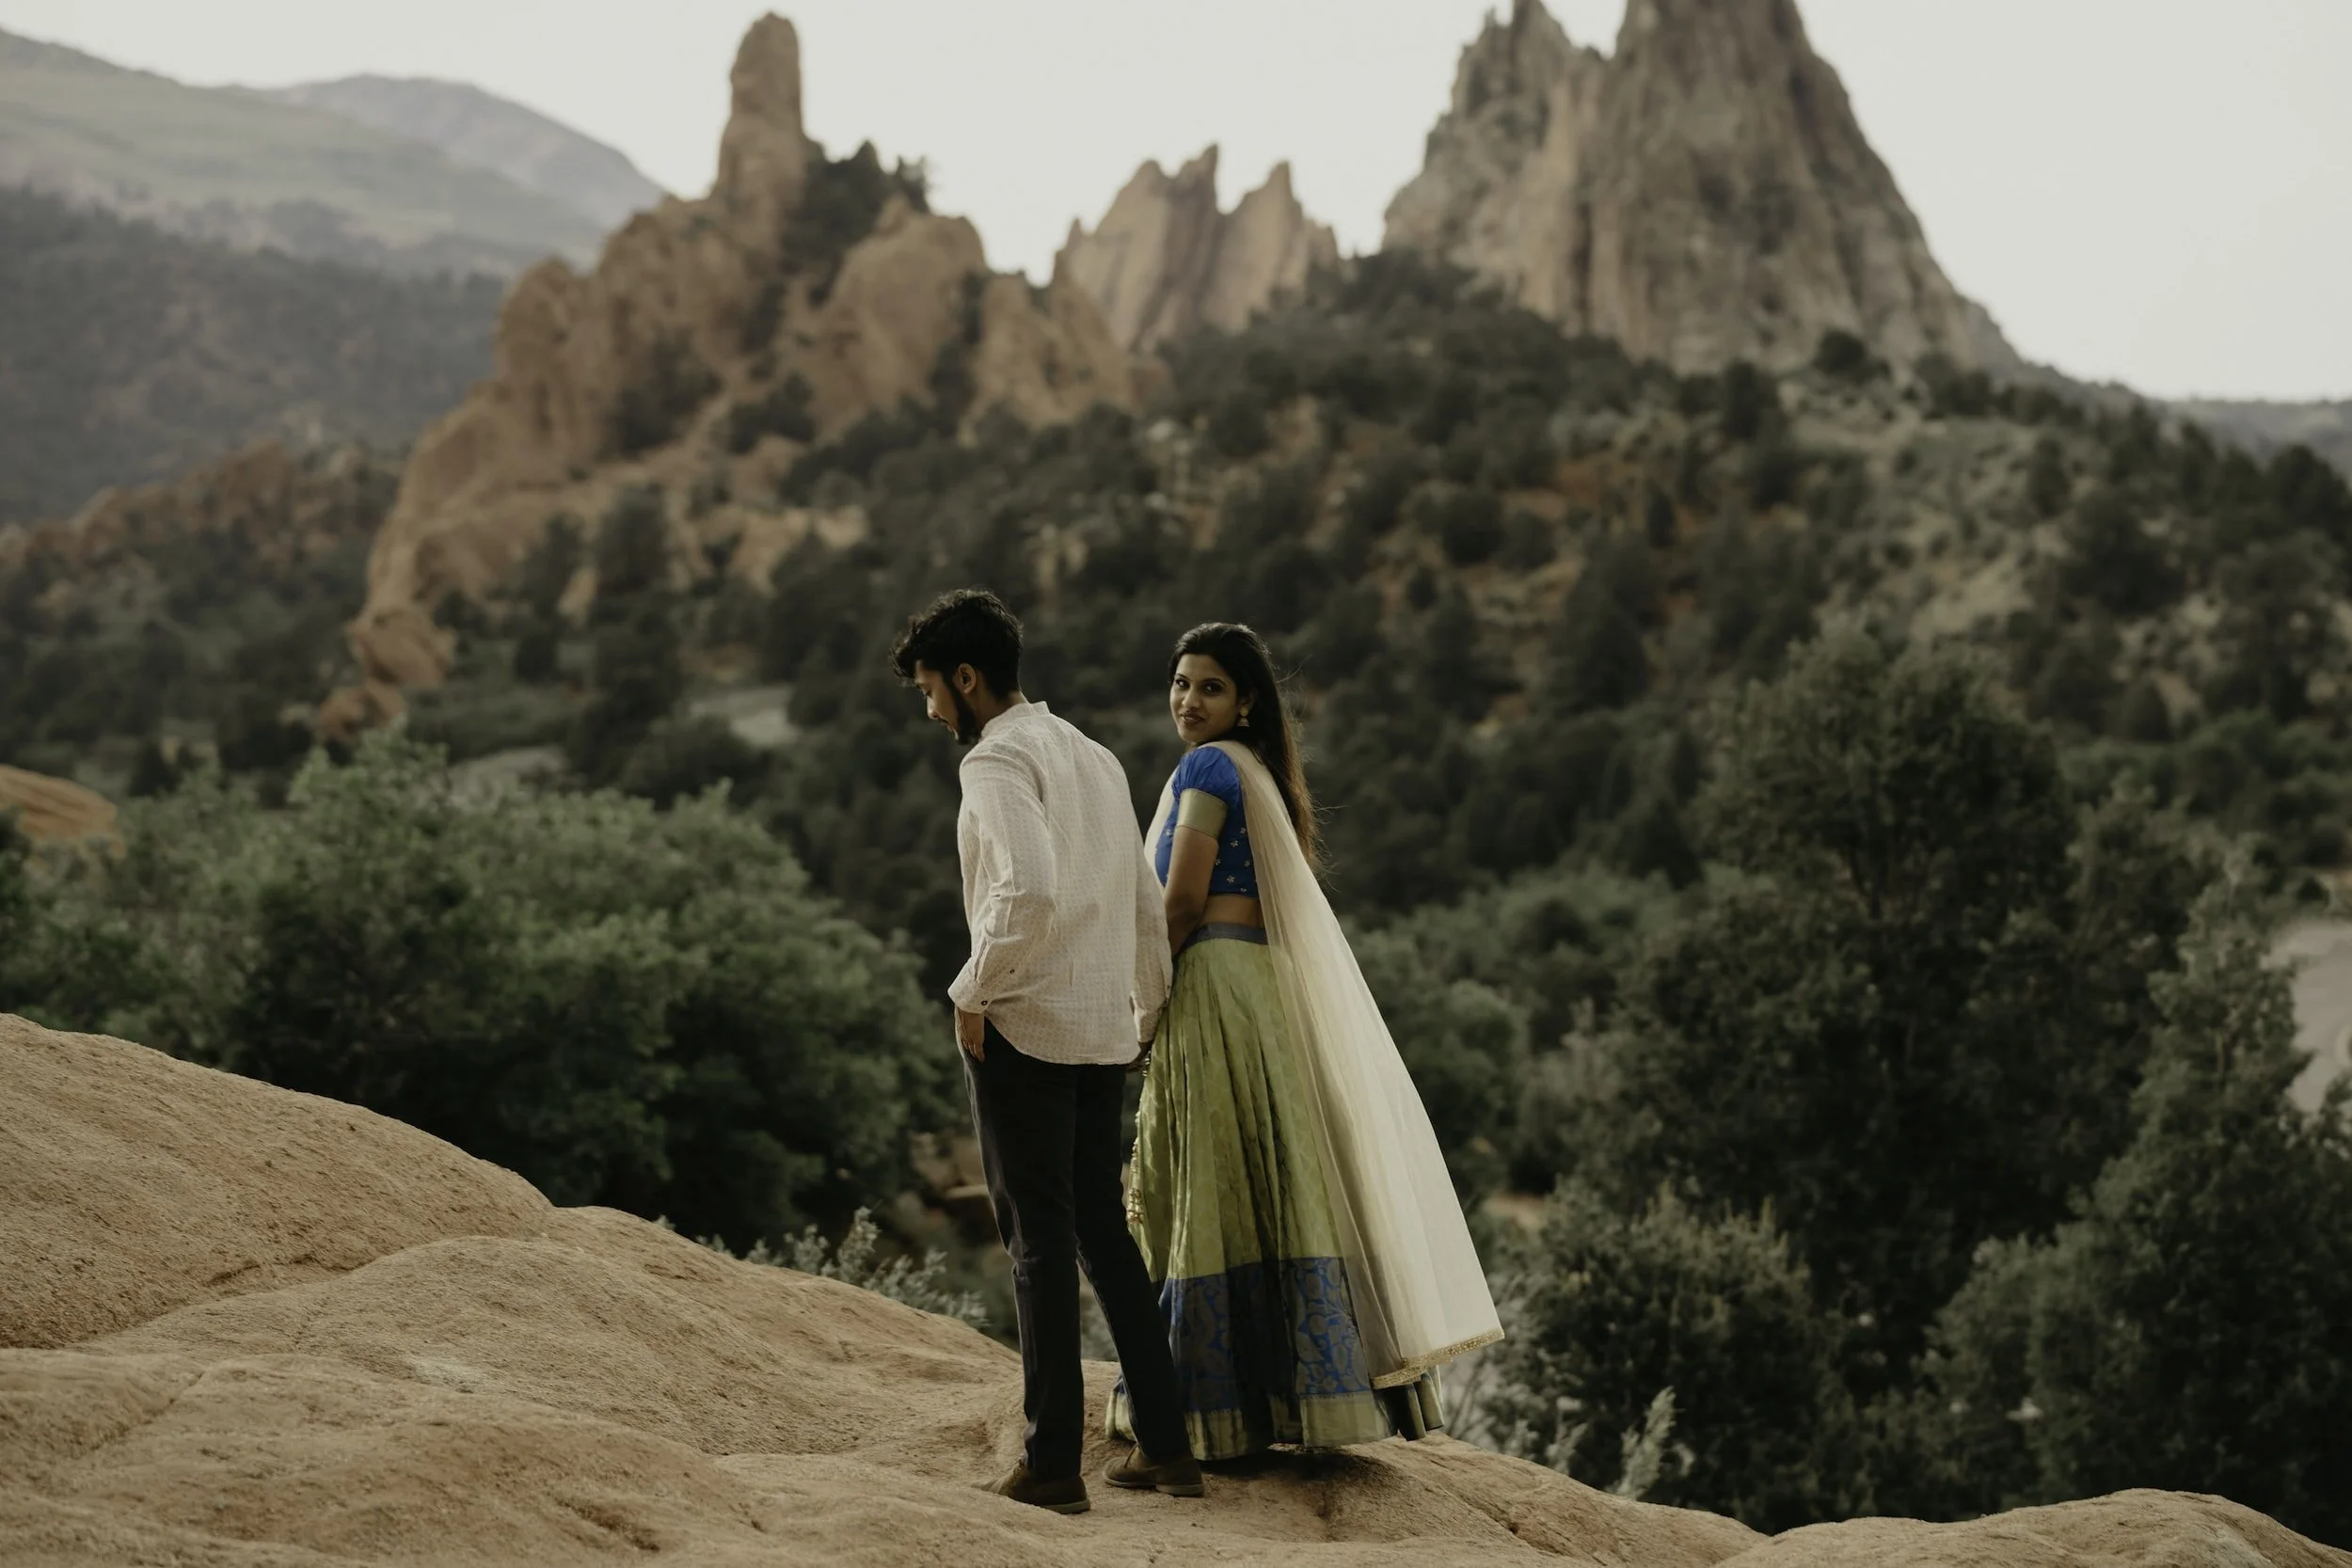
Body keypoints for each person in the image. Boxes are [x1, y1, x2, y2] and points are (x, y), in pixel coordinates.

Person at [1109, 622, 1502, 1462]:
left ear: (1245, 701)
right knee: (1271, 1182)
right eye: (1180, 683)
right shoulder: (1262, 776)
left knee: (1211, 1191)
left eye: (1209, 687)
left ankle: (1199, 1420)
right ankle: (1288, 1398)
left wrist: (1141, 1007)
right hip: (1260, 988)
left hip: (1212, 983)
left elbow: (1179, 903)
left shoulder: (1208, 768)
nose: (1188, 700)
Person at [890, 587, 1204, 1515]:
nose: (930, 707)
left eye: (929, 689)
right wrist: (1142, 1005)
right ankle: (1168, 1446)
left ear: (967, 677)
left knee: (1037, 1245)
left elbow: (1023, 886)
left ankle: (1053, 1462)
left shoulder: (993, 760)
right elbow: (1145, 897)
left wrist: (971, 989)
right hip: (1100, 1022)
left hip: (1024, 1021)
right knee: (1103, 1235)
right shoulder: (1094, 755)